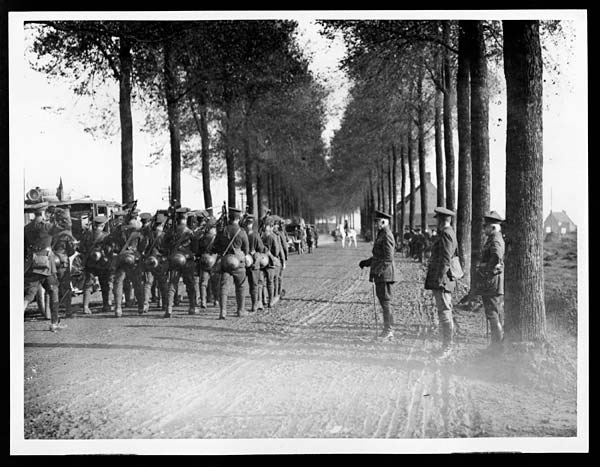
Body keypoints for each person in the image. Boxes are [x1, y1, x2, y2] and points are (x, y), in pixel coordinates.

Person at [424, 207, 458, 358]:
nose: (436, 222)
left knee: (444, 312)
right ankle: (446, 345)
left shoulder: (446, 234)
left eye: (437, 219)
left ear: (442, 220)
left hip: (443, 279)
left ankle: (447, 346)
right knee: (443, 311)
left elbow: (445, 260)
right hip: (441, 278)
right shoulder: (446, 233)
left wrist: (439, 279)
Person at [24, 201, 63, 331]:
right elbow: (66, 226)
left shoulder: (27, 228)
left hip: (33, 263)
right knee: (54, 291)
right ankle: (54, 323)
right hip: (47, 264)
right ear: (44, 212)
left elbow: (24, 248)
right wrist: (60, 213)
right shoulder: (47, 227)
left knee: (29, 296)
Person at [359, 210, 396, 339]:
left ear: (384, 222)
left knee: (386, 303)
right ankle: (388, 329)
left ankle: (389, 330)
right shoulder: (381, 234)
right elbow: (378, 256)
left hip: (385, 275)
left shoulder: (386, 235)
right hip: (382, 274)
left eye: (378, 222)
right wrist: (367, 262)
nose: (376, 225)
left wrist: (378, 271)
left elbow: (388, 258)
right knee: (384, 303)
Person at [475, 211, 506, 352]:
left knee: (493, 312)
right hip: (491, 280)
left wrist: (487, 270)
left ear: (492, 227)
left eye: (486, 227)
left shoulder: (495, 239)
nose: (484, 229)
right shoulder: (493, 238)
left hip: (492, 281)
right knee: (492, 312)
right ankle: (496, 343)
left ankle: (497, 345)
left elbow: (496, 256)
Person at [214, 207, 249, 319]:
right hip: (238, 262)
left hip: (225, 261)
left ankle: (223, 311)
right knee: (241, 286)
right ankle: (240, 310)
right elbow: (246, 249)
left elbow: (216, 246)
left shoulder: (222, 230)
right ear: (238, 219)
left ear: (229, 218)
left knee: (223, 287)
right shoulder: (242, 232)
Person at [164, 207, 199, 317]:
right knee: (190, 284)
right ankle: (192, 307)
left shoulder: (170, 232)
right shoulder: (190, 232)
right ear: (186, 217)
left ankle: (169, 308)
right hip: (187, 261)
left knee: (172, 284)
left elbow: (165, 246)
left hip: (174, 259)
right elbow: (195, 248)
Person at [80, 215, 113, 314]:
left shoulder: (86, 235)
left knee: (88, 285)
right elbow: (109, 250)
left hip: (90, 263)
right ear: (102, 225)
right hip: (103, 264)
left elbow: (81, 248)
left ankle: (85, 307)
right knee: (104, 285)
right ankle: (106, 305)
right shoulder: (106, 236)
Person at [138, 213, 169, 314]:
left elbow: (142, 248)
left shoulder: (148, 235)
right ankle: (164, 304)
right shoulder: (165, 235)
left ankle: (145, 305)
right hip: (160, 260)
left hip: (149, 260)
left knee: (147, 283)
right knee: (162, 283)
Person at [51, 207, 77, 318]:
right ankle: (68, 310)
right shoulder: (66, 234)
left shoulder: (50, 230)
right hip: (62, 261)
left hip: (51, 260)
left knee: (52, 287)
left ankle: (52, 312)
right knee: (66, 286)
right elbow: (71, 250)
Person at [243, 215, 267, 312]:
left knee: (241, 285)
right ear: (252, 224)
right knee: (254, 284)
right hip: (253, 263)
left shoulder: (242, 233)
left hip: (243, 262)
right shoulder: (255, 235)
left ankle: (243, 306)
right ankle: (254, 305)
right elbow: (261, 249)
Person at [261, 217, 285, 308]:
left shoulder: (261, 235)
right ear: (271, 226)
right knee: (270, 282)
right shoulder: (273, 236)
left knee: (262, 282)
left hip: (262, 261)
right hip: (271, 263)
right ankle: (271, 301)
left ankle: (263, 299)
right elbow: (277, 251)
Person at [196, 217, 219, 309]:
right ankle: (216, 300)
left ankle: (203, 301)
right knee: (215, 282)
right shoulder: (217, 236)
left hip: (204, 259)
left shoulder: (203, 236)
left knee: (203, 283)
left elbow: (199, 249)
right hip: (215, 259)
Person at [274, 220, 288, 298]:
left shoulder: (265, 233)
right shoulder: (279, 234)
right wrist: (285, 258)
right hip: (278, 258)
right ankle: (278, 292)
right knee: (279, 276)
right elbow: (284, 247)